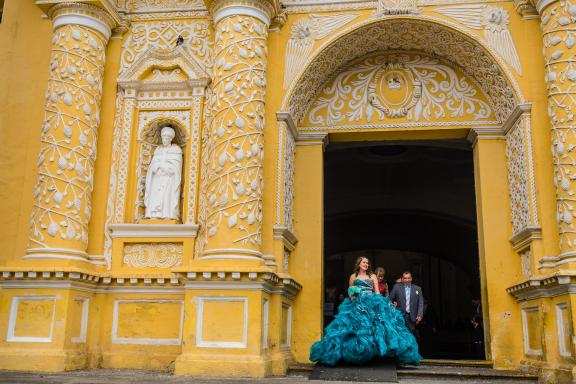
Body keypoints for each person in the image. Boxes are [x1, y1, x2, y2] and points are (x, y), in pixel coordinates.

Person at [310, 257, 421, 366]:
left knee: (378, 328)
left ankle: (377, 357)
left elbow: (377, 292)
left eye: (367, 263)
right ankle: (352, 355)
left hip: (370, 302)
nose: (366, 264)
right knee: (351, 328)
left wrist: (383, 303)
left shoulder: (372, 276)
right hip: (356, 303)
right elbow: (350, 290)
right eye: (364, 262)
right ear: (359, 264)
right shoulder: (353, 276)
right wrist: (352, 297)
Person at [144, 126, 182, 219]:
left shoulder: (176, 150)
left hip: (168, 178)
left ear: (170, 139)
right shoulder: (158, 150)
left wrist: (167, 167)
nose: (164, 140)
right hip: (157, 178)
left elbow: (177, 167)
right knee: (155, 195)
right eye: (163, 138)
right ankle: (153, 214)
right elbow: (152, 165)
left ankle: (167, 215)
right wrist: (155, 167)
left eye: (166, 138)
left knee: (166, 197)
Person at [389, 272, 424, 339]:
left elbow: (420, 303)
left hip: (412, 317)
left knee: (411, 337)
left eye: (408, 278)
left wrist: (419, 315)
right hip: (399, 316)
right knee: (400, 337)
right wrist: (393, 304)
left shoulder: (418, 289)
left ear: (411, 279)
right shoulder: (396, 287)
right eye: (405, 278)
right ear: (402, 279)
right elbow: (390, 299)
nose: (407, 280)